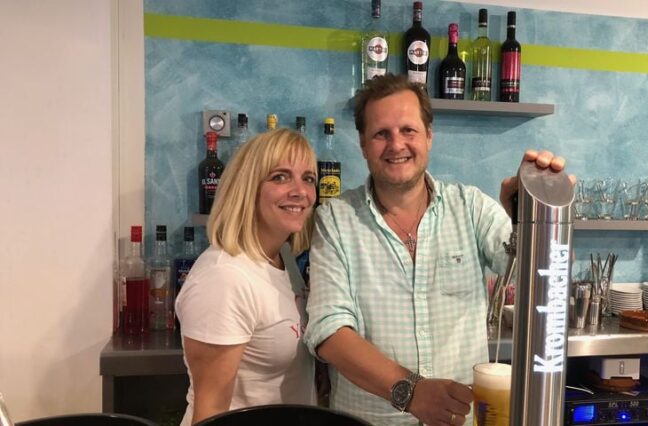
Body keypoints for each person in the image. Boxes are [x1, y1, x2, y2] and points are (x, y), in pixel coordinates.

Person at [303, 73, 568, 426]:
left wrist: (538, 217)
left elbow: (538, 277)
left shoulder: (470, 206)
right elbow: (329, 331)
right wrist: (410, 391)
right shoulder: (336, 219)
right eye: (381, 133)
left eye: (408, 130)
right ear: (363, 145)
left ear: (429, 136)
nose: (396, 144)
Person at [175, 128, 318, 426]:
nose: (300, 191)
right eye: (280, 177)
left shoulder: (283, 258)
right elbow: (211, 412)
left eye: (308, 178)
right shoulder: (224, 277)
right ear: (247, 187)